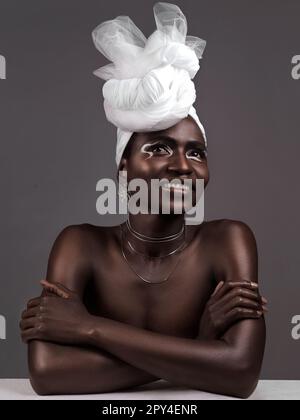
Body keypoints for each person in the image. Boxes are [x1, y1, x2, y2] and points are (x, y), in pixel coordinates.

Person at [19, 3, 267, 398]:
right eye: (158, 149)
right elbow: (48, 375)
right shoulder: (80, 245)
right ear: (123, 168)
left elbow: (240, 374)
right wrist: (201, 350)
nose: (183, 166)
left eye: (197, 152)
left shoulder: (229, 241)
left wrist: (90, 328)